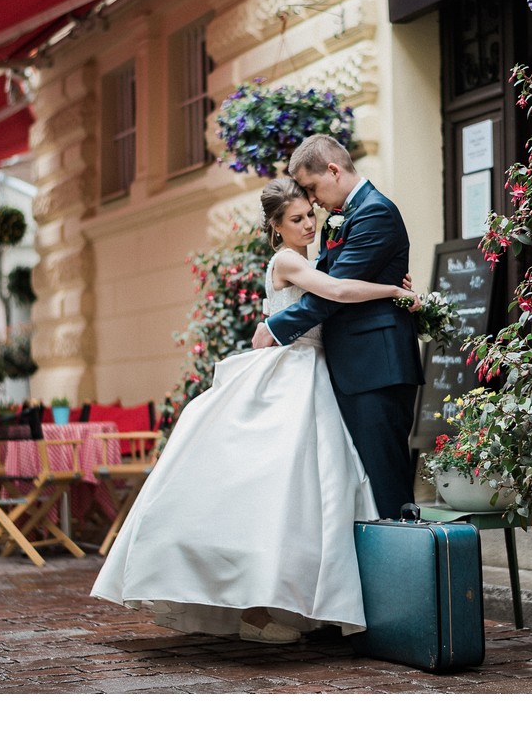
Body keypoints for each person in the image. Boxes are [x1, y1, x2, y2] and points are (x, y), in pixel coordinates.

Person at [91, 178, 420, 645]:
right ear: (275, 227)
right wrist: (394, 290)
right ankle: (256, 604)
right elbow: (338, 292)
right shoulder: (288, 260)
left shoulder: (312, 257)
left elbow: (340, 283)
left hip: (319, 374)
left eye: (311, 215)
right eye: (297, 219)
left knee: (314, 496)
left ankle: (307, 600)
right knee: (275, 491)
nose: (309, 224)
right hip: (291, 373)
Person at [252, 135, 424, 520]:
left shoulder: (374, 212)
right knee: (358, 481)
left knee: (386, 482)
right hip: (350, 368)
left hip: (374, 367)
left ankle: (403, 573)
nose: (311, 202)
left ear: (333, 170)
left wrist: (277, 326)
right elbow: (330, 282)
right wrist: (391, 287)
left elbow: (332, 292)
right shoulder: (345, 216)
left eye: (312, 190)